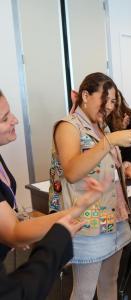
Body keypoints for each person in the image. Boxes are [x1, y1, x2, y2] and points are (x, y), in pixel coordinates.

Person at [49, 72, 131, 300]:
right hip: (88, 222)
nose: (108, 106)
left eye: (113, 100)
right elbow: (73, 171)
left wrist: (126, 168)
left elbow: (100, 163)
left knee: (109, 281)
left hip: (113, 215)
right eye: (104, 99)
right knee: (85, 291)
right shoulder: (68, 126)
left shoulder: (100, 126)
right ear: (85, 95)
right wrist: (111, 141)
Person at [0, 89, 106, 299]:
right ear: (85, 96)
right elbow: (13, 233)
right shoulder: (67, 127)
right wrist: (73, 213)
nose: (16, 120)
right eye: (5, 119)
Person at [107, 90, 131, 163]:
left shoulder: (129, 112)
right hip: (113, 154)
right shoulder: (107, 114)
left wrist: (125, 129)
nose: (116, 101)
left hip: (128, 152)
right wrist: (121, 128)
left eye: (118, 97)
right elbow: (108, 136)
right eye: (114, 99)